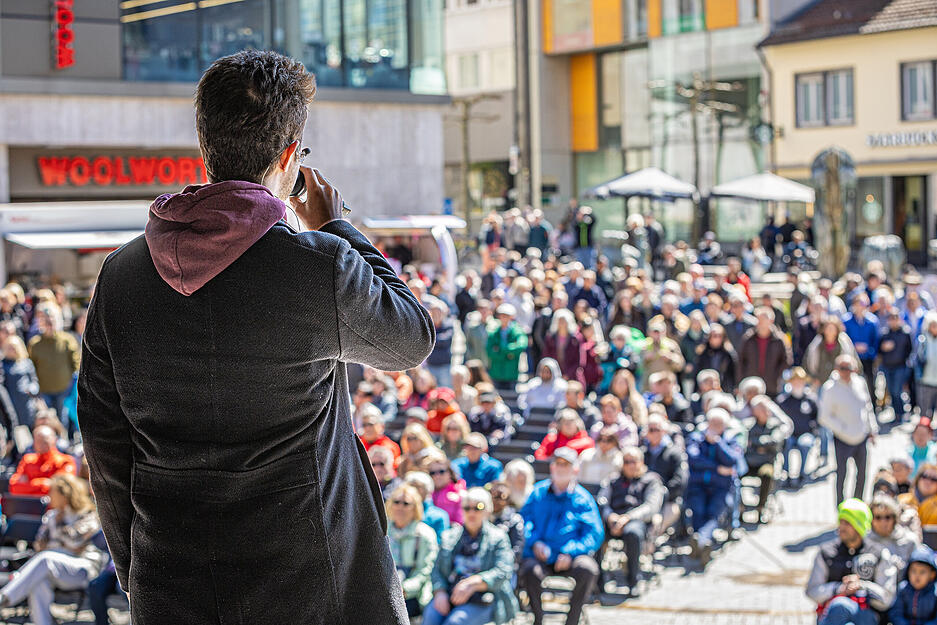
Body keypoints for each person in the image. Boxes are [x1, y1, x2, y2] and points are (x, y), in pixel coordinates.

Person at [77, 51, 437, 625]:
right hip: (309, 583)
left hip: (173, 583)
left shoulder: (120, 275)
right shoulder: (319, 266)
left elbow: (104, 444)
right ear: (290, 155)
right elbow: (411, 338)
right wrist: (339, 228)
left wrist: (136, 569)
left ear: (206, 151)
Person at [0, 474, 105, 624]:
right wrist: (63, 544)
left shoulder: (88, 515)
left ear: (65, 495)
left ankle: (4, 598)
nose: (49, 497)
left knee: (46, 559)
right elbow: (39, 544)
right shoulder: (51, 515)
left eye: (53, 492)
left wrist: (58, 535)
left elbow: (74, 542)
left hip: (83, 569)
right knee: (39, 582)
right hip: (54, 568)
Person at [519, 447, 604, 625]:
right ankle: (538, 619)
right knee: (528, 570)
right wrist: (535, 542)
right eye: (558, 463)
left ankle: (572, 620)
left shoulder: (583, 498)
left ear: (575, 469)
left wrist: (570, 552)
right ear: (552, 466)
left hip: (570, 557)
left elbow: (594, 534)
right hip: (540, 555)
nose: (561, 468)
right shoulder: (538, 492)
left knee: (588, 569)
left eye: (566, 464)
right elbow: (524, 522)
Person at [423, 488, 519, 625]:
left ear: (488, 510)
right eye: (467, 508)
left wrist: (473, 583)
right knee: (431, 616)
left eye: (478, 507)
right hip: (450, 593)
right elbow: (436, 569)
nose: (472, 512)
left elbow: (503, 571)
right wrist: (439, 592)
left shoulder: (498, 537)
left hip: (484, 598)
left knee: (455, 622)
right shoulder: (450, 536)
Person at [807, 499, 897, 625]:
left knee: (841, 606)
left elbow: (887, 598)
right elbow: (812, 591)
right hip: (832, 615)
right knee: (840, 607)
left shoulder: (878, 554)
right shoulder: (826, 553)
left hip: (867, 616)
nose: (842, 527)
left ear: (859, 525)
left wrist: (861, 586)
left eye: (848, 523)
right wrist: (839, 588)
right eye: (841, 522)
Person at [597, 446, 665, 595]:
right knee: (596, 532)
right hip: (614, 519)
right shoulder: (613, 479)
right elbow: (602, 500)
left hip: (637, 521)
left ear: (641, 462)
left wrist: (627, 518)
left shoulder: (651, 480)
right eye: (626, 462)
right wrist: (610, 516)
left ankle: (634, 581)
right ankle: (597, 581)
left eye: (633, 461)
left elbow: (651, 506)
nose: (630, 465)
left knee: (632, 533)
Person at [686, 409, 744, 565]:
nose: (715, 427)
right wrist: (718, 468)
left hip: (721, 487)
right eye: (713, 424)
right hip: (698, 485)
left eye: (719, 424)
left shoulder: (731, 439)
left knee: (713, 513)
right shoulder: (696, 438)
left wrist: (718, 443)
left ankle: (699, 541)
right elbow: (694, 459)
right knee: (698, 511)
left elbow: (733, 460)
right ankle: (703, 542)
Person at [819, 355, 878, 505]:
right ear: (836, 369)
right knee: (842, 475)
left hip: (861, 436)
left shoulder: (860, 382)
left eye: (850, 368)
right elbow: (824, 416)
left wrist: (872, 428)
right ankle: (841, 507)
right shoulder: (830, 388)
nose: (847, 372)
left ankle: (857, 505)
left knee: (862, 475)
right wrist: (842, 428)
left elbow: (867, 407)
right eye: (843, 368)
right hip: (842, 439)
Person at [386, 484, 439, 619]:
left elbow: (424, 571)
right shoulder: (383, 531)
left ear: (415, 507)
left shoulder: (425, 535)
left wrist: (403, 589)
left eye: (406, 504)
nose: (400, 507)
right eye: (396, 502)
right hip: (385, 588)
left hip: (412, 593)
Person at [27, 303, 79, 434]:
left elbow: (76, 363)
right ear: (40, 322)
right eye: (45, 321)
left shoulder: (67, 340)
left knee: (62, 420)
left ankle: (63, 443)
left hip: (64, 390)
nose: (49, 323)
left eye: (52, 320)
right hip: (44, 391)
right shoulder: (34, 344)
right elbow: (31, 367)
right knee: (47, 421)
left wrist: (72, 385)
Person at [641, 414, 688, 535]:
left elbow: (680, 481)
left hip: (668, 501)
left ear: (664, 431)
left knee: (654, 528)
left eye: (656, 429)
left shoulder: (674, 452)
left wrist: (660, 493)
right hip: (643, 499)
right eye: (650, 430)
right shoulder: (642, 452)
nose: (653, 433)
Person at [744, 396, 785, 523]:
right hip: (749, 463)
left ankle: (761, 508)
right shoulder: (748, 425)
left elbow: (775, 442)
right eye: (761, 409)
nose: (765, 412)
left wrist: (755, 443)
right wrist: (761, 446)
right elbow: (745, 444)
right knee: (735, 475)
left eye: (765, 409)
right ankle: (739, 510)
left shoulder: (774, 425)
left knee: (767, 474)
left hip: (765, 463)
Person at [777, 367, 819, 485]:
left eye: (800, 381)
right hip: (789, 434)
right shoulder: (783, 400)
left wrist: (813, 429)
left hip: (805, 433)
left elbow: (817, 418)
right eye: (795, 381)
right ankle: (786, 473)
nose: (797, 383)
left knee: (804, 443)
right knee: (786, 442)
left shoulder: (810, 400)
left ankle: (802, 474)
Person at [8, 425, 76, 495]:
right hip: (28, 501)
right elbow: (13, 486)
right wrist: (45, 483)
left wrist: (29, 483)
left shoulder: (65, 461)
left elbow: (61, 489)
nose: (41, 445)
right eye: (38, 441)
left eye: (45, 441)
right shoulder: (27, 460)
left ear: (54, 440)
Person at [866, 495, 920, 571]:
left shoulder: (910, 541)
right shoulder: (864, 541)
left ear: (895, 518)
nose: (883, 522)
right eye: (878, 517)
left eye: (887, 517)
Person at [879, 307, 914, 421]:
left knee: (897, 391)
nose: (893, 321)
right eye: (891, 318)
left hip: (900, 366)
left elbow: (910, 350)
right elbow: (878, 350)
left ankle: (901, 412)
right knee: (891, 391)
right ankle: (897, 414)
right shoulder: (884, 333)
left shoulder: (905, 333)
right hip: (887, 367)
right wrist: (883, 347)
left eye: (895, 318)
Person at [889, 545, 937, 625]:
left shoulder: (935, 592)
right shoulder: (903, 589)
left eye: (922, 572)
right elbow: (896, 613)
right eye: (914, 571)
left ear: (932, 575)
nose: (917, 576)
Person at [844, 294, 880, 400]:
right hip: (852, 358)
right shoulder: (846, 321)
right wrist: (854, 347)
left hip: (868, 358)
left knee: (870, 383)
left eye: (864, 304)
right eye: (859, 303)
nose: (861, 307)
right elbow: (844, 338)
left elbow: (876, 341)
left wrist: (869, 350)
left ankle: (871, 404)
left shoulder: (872, 321)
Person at [486, 304, 528, 391]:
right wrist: (508, 355)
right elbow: (489, 351)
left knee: (510, 396)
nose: (503, 318)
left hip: (511, 373)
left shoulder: (517, 331)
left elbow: (521, 345)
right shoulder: (494, 332)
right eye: (501, 316)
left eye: (506, 316)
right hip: (496, 372)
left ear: (511, 317)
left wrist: (502, 349)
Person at [2, 335, 39, 431]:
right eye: (9, 348)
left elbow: (34, 382)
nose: (12, 350)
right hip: (10, 403)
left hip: (26, 403)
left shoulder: (27, 363)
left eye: (14, 347)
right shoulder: (2, 365)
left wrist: (31, 390)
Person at [404, 472, 451, 544]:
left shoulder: (439, 516)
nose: (413, 490)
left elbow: (440, 543)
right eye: (410, 486)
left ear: (428, 490)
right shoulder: (398, 510)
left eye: (417, 487)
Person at [694, 323, 739, 394]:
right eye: (714, 336)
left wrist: (735, 387)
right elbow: (697, 372)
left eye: (719, 336)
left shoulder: (728, 353)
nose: (717, 339)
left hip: (724, 389)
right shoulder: (703, 353)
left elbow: (734, 372)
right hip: (706, 389)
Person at [427, 450, 467, 526]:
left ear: (450, 473)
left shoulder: (460, 494)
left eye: (441, 471)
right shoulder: (426, 494)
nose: (437, 476)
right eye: (433, 473)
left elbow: (461, 523)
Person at [488, 481, 525, 563]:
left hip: (505, 564)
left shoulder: (514, 520)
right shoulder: (482, 517)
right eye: (494, 495)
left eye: (502, 496)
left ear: (508, 500)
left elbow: (517, 549)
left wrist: (503, 562)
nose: (496, 500)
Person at [426, 302, 456, 388]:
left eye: (439, 312)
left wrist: (431, 339)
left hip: (444, 365)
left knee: (445, 389)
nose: (436, 315)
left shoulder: (448, 324)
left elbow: (445, 340)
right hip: (431, 364)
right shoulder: (427, 326)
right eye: (434, 312)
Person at [917, 312, 937, 418]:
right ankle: (924, 426)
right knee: (925, 409)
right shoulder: (923, 340)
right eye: (933, 325)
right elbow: (919, 358)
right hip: (925, 379)